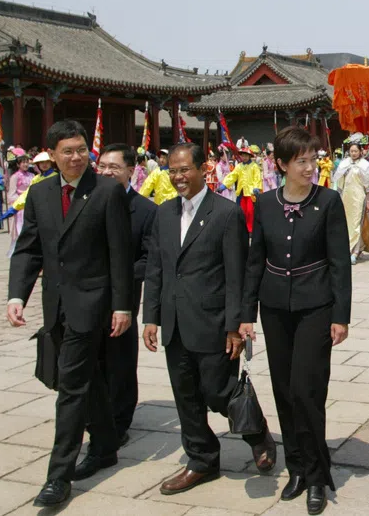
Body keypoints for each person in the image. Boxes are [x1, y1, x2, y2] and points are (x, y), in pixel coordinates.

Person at [7, 120, 133, 507]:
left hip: (93, 303)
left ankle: (58, 477)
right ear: (52, 154)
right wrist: (17, 295)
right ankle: (106, 446)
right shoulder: (40, 192)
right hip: (56, 303)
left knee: (70, 386)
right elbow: (29, 248)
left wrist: (122, 305)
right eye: (68, 151)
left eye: (81, 150)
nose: (76, 157)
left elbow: (120, 252)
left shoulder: (107, 190)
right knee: (87, 378)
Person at [142, 143, 277, 496]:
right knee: (185, 395)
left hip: (214, 322)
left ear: (204, 169)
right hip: (174, 321)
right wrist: (150, 317)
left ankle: (257, 433)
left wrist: (235, 326)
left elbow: (237, 275)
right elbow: (156, 268)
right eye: (172, 170)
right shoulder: (164, 213)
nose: (178, 177)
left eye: (184, 169)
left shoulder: (225, 213)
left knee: (219, 392)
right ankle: (202, 460)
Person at [243, 128, 352, 513]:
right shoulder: (265, 203)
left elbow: (340, 263)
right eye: (301, 161)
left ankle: (317, 475)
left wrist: (341, 315)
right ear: (282, 164)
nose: (310, 168)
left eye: (313, 159)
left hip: (315, 308)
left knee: (308, 391)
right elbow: (254, 261)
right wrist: (246, 315)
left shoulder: (328, 201)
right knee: (284, 390)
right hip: (274, 308)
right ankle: (297, 468)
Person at [92, 144, 157, 445]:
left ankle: (119, 421)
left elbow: (149, 258)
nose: (106, 172)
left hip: (123, 299)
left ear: (131, 170)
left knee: (120, 361)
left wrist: (119, 277)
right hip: (88, 297)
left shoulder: (146, 211)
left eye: (113, 167)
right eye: (102, 166)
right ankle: (94, 415)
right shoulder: (87, 201)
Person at [333, 134, 369, 265]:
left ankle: (355, 252)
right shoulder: (344, 164)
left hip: (359, 198)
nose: (353, 153)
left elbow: (367, 186)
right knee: (347, 223)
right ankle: (349, 248)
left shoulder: (365, 165)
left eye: (356, 151)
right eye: (351, 151)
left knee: (357, 223)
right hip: (346, 197)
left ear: (360, 151)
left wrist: (368, 201)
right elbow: (339, 183)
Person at [218, 144, 263, 232]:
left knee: (250, 211)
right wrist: (224, 185)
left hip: (250, 192)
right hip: (241, 192)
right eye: (243, 155)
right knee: (241, 211)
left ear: (249, 156)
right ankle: (242, 228)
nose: (244, 157)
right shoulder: (239, 166)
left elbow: (257, 177)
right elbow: (232, 176)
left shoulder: (254, 166)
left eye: (246, 155)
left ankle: (250, 229)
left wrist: (256, 188)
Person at [6, 153, 35, 250]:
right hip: (21, 207)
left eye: (27, 162)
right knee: (21, 228)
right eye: (23, 162)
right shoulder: (15, 177)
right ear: (18, 165)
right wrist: (21, 201)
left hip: (32, 204)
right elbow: (11, 194)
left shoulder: (32, 175)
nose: (26, 164)